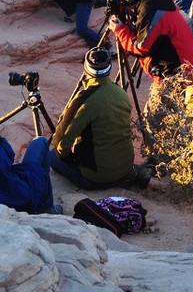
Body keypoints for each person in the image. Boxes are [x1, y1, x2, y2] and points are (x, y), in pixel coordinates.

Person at [50, 48, 136, 188]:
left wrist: (69, 159)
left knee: (52, 156)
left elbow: (60, 143)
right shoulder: (120, 92)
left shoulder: (85, 100)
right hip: (125, 168)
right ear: (109, 68)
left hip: (97, 177)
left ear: (86, 68)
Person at [109, 0, 193, 86]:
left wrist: (120, 30)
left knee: (161, 98)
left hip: (181, 77)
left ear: (129, 1)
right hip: (187, 69)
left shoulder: (151, 12)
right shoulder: (156, 0)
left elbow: (141, 49)